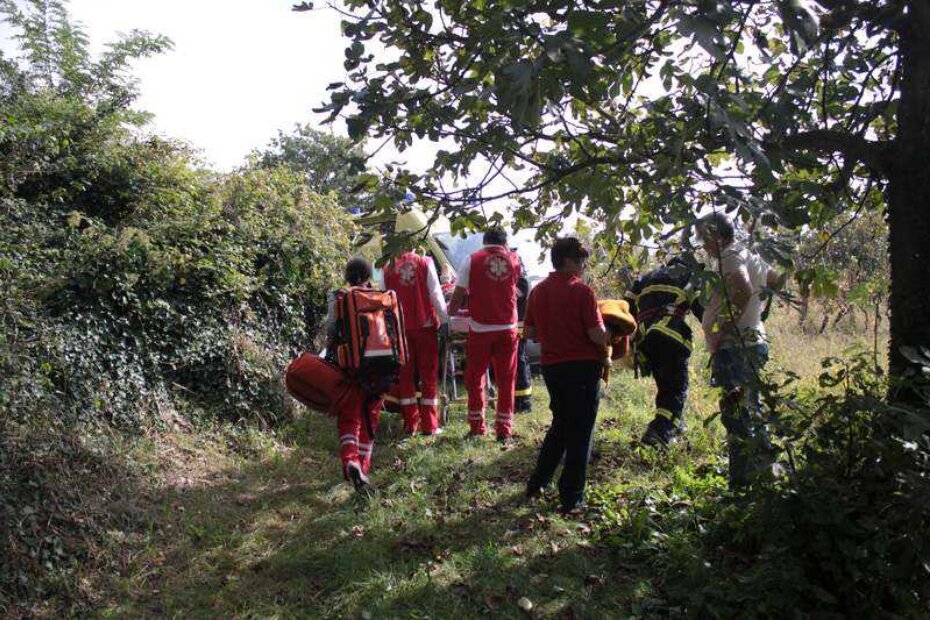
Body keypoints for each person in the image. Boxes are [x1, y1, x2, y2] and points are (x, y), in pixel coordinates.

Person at [524, 237, 610, 513]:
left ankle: (538, 482)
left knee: (561, 426)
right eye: (581, 260)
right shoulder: (582, 292)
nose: (584, 265)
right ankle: (572, 496)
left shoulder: (537, 292)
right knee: (581, 432)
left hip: (552, 368)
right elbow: (596, 334)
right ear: (568, 261)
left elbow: (531, 334)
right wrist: (615, 335)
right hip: (582, 368)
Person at [697, 213, 781, 489]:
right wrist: (758, 313)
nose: (702, 244)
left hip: (736, 348)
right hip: (754, 341)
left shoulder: (730, 257)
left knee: (737, 418)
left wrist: (723, 328)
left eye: (704, 237)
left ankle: (741, 486)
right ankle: (767, 478)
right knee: (752, 411)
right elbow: (775, 280)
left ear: (716, 235)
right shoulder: (749, 253)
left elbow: (743, 290)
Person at [448, 227, 522, 442]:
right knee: (506, 379)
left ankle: (477, 426)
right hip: (508, 327)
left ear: (484, 240)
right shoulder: (515, 259)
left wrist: (450, 312)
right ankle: (504, 429)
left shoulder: (471, 260)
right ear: (504, 242)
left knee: (475, 377)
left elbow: (459, 293)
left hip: (480, 328)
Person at [625, 256, 703, 447]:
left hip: (646, 342)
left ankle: (675, 428)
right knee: (677, 388)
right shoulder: (688, 276)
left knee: (666, 387)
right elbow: (703, 309)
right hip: (671, 337)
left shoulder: (645, 278)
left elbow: (625, 307)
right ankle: (659, 433)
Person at [324, 257, 386, 495]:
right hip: (379, 366)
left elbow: (331, 330)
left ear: (347, 275)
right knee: (370, 419)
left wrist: (330, 354)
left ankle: (351, 461)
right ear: (369, 276)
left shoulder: (339, 296)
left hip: (349, 365)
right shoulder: (380, 295)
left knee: (349, 416)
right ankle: (364, 468)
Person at [381, 245, 449, 436]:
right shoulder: (424, 262)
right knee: (428, 375)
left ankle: (410, 424)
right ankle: (430, 425)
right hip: (425, 325)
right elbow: (435, 294)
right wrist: (445, 320)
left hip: (400, 329)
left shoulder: (386, 267)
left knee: (405, 377)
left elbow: (383, 299)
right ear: (413, 244)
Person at [512, 249, 533, 413]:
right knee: (517, 362)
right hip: (513, 327)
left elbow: (511, 296)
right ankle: (517, 399)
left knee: (520, 362)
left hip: (519, 328)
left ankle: (524, 401)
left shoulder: (522, 282)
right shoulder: (516, 280)